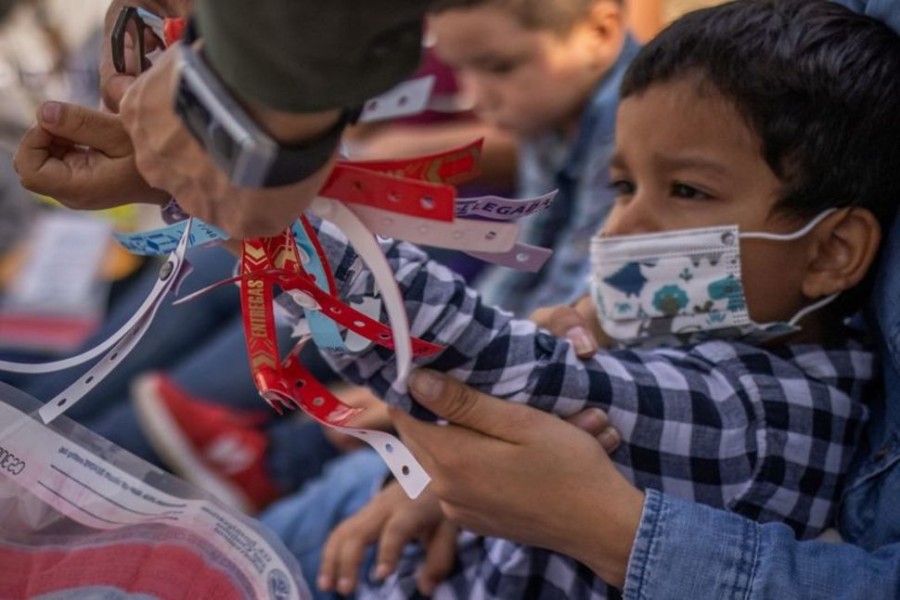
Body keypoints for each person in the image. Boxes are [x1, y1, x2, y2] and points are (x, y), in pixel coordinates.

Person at [235, 1, 896, 597]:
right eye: (622, 188)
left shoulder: (768, 417)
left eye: (688, 191)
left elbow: (494, 363)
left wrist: (276, 209)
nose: (621, 230)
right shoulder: (691, 334)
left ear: (831, 252)